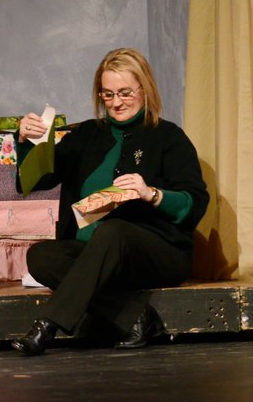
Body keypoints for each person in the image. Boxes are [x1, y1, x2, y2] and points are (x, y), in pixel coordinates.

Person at [11, 48, 209, 356]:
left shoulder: (168, 137)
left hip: (156, 254)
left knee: (114, 230)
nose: (116, 103)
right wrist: (26, 142)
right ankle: (135, 315)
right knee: (40, 256)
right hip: (94, 256)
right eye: (107, 94)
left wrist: (152, 194)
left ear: (145, 89)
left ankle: (48, 325)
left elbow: (194, 203)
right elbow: (35, 180)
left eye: (125, 93)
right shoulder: (88, 134)